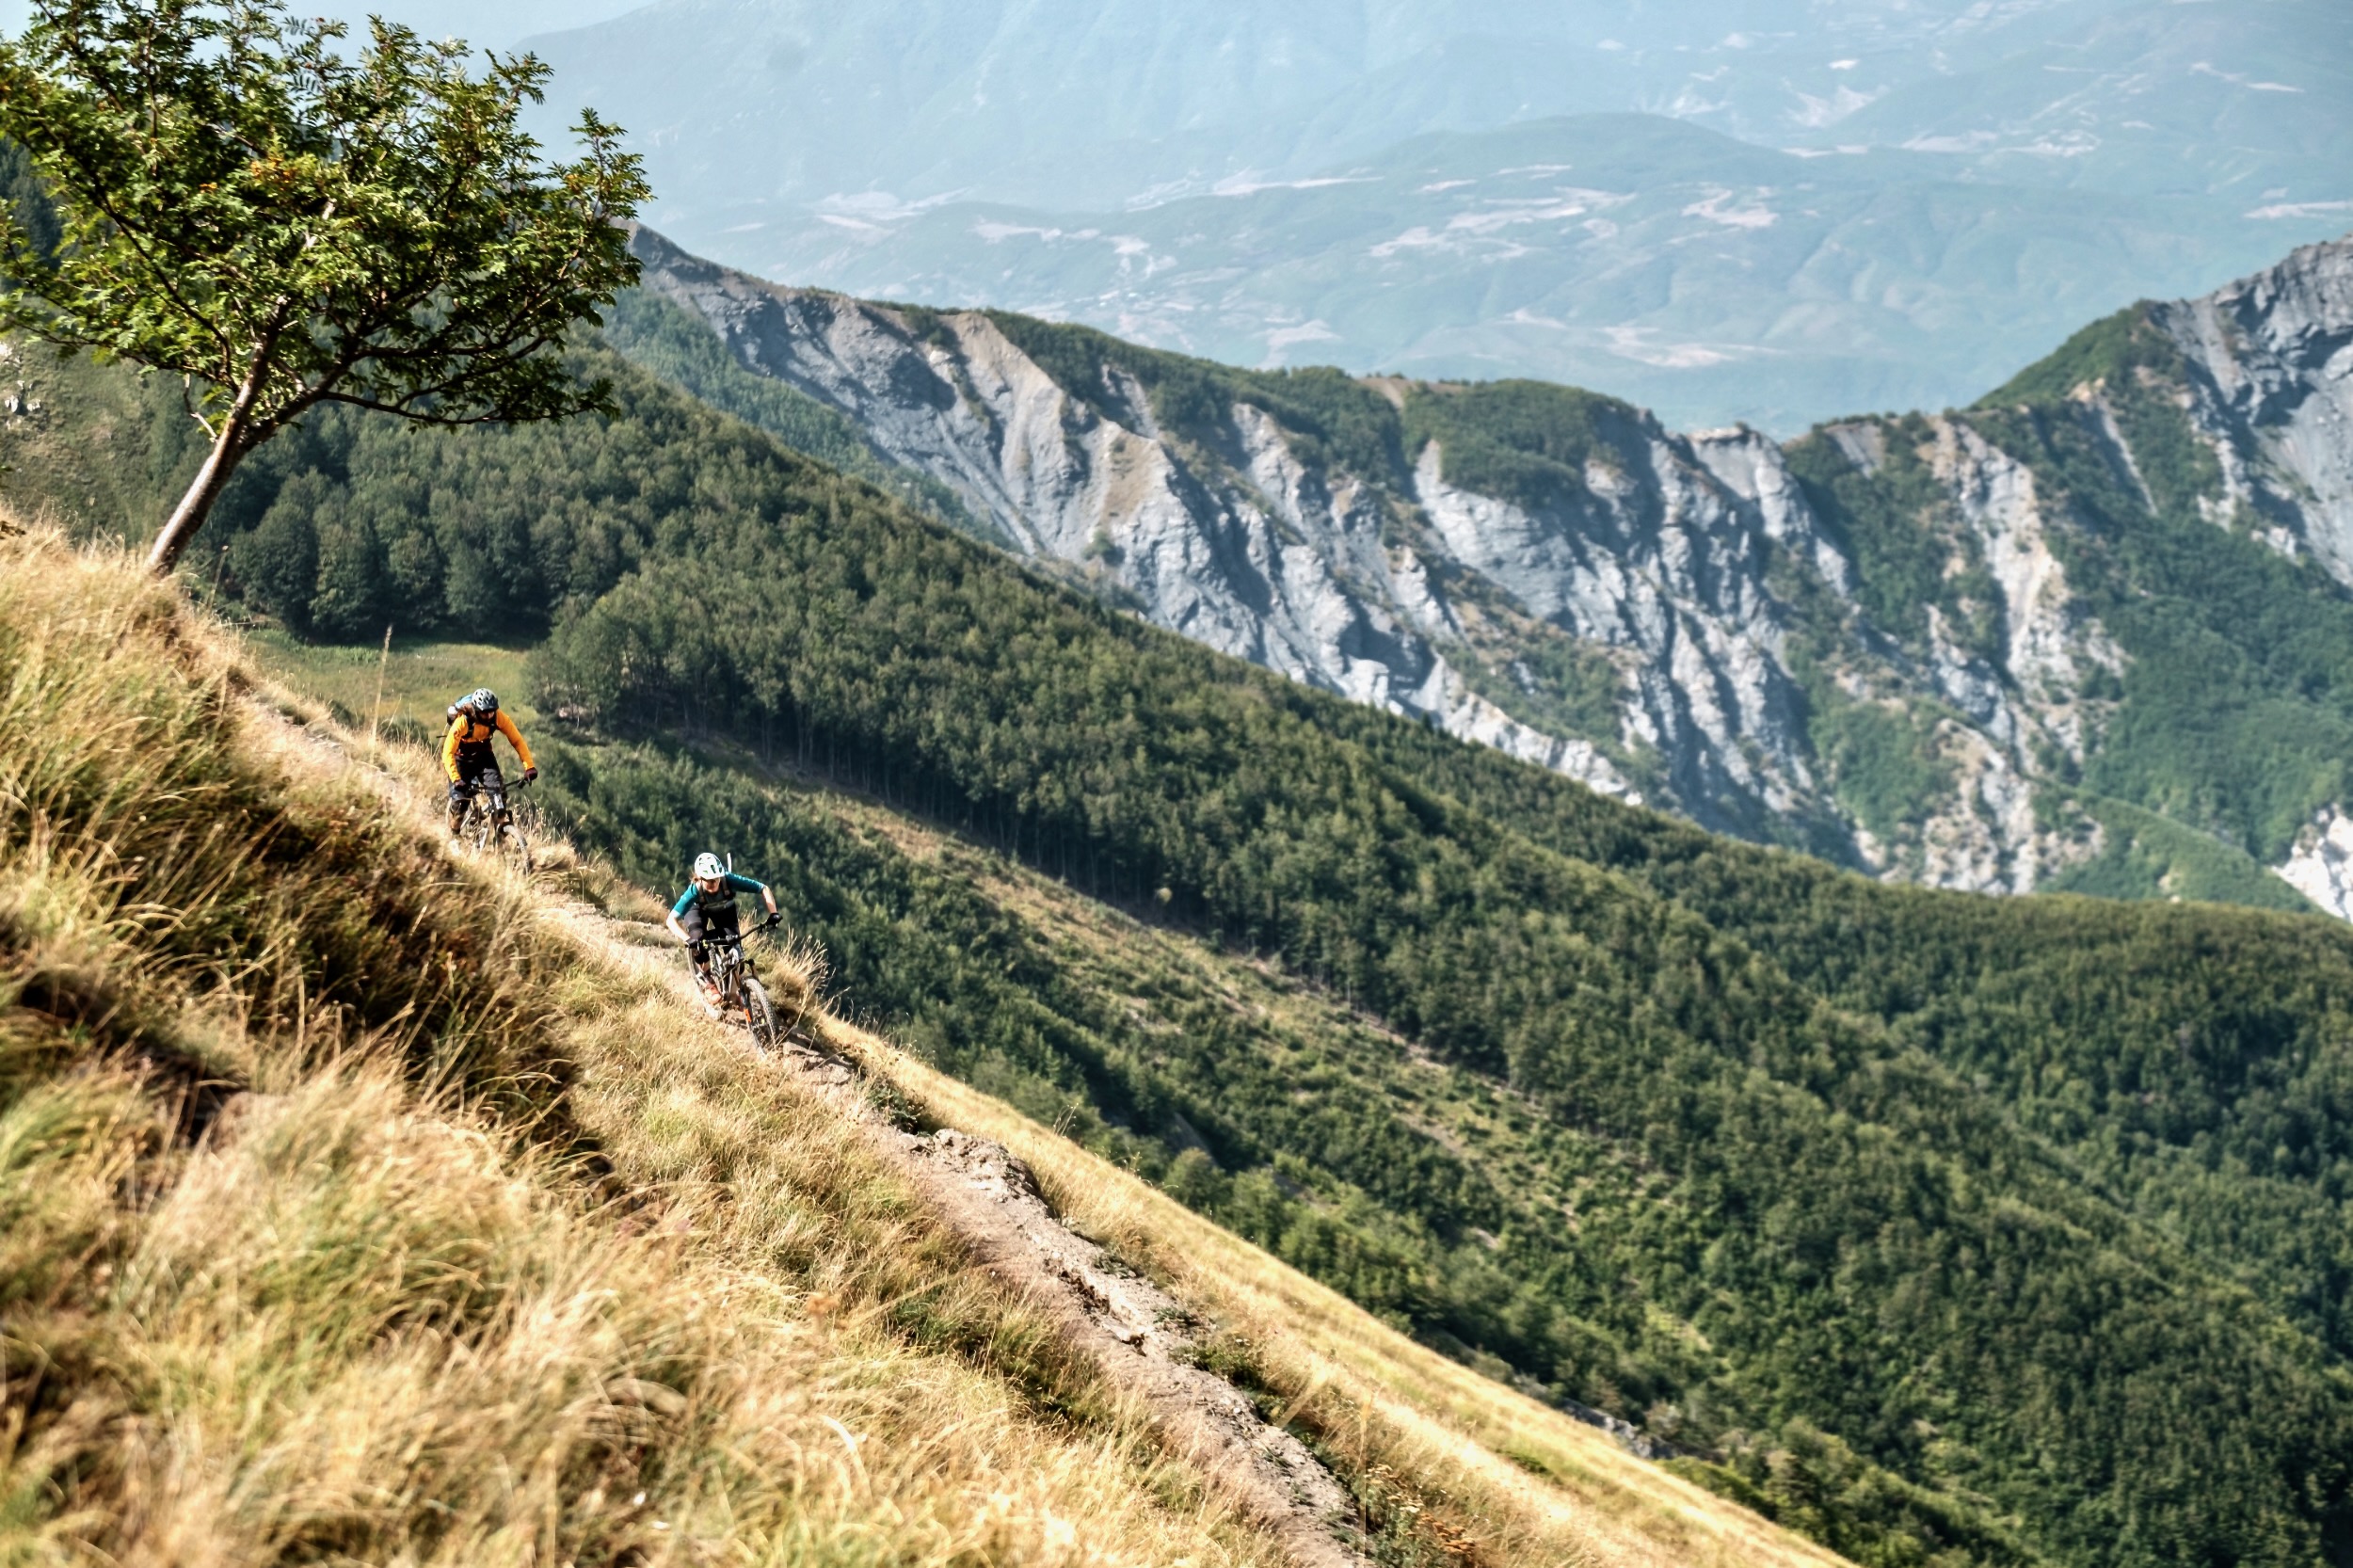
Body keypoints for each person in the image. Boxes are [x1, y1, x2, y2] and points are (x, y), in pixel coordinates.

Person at [666, 851, 778, 1016]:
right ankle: (707, 980)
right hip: (698, 910)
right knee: (698, 941)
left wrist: (773, 914)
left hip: (724, 911)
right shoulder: (694, 891)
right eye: (709, 881)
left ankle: (736, 993)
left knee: (736, 955)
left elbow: (763, 888)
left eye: (716, 879)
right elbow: (671, 920)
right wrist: (687, 939)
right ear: (699, 878)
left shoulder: (729, 879)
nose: (713, 884)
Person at [441, 687, 536, 838]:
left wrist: (529, 766)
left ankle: (499, 839)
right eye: (485, 713)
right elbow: (448, 752)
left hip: (483, 756)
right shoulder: (463, 722)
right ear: (476, 711)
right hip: (461, 758)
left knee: (499, 795)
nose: (489, 716)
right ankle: (454, 836)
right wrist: (456, 778)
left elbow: (517, 740)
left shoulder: (499, 717)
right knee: (461, 802)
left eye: (492, 711)